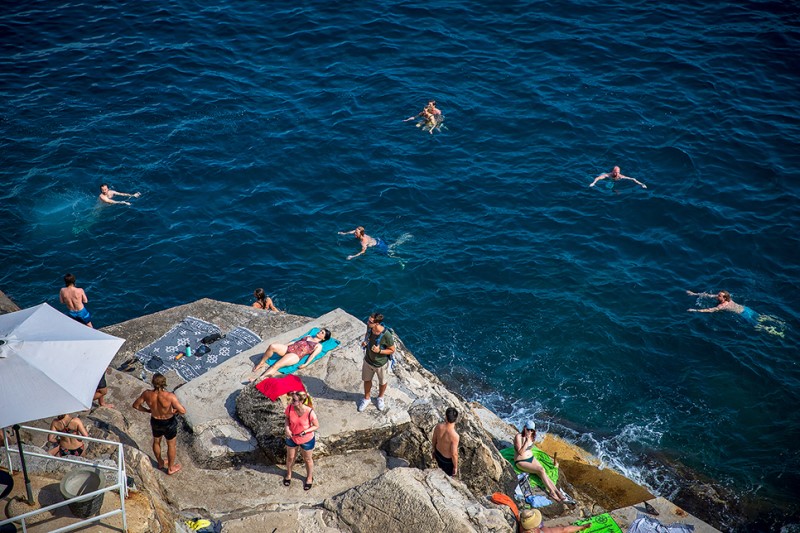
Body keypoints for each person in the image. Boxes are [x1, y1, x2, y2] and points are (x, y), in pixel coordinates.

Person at [132, 373, 187, 475]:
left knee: (156, 442)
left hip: (155, 420)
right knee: (171, 445)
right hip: (168, 422)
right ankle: (170, 468)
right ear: (164, 383)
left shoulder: (147, 394)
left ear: (153, 383)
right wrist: (173, 412)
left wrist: (148, 410)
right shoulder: (170, 396)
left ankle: (160, 462)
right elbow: (183, 411)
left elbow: (136, 405)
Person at [251, 328, 332, 380]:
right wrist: (284, 346)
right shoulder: (308, 336)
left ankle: (259, 380)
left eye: (322, 333)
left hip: (295, 355)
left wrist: (305, 364)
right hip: (289, 348)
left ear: (324, 338)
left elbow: (313, 355)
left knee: (276, 365)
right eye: (321, 331)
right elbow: (295, 342)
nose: (319, 332)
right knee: (272, 346)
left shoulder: (318, 345)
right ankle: (261, 363)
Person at [514, 421, 564, 502]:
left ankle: (556, 491)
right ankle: (551, 492)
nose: (530, 432)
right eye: (529, 429)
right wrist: (526, 440)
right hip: (521, 461)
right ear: (524, 428)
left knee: (543, 471)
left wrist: (529, 439)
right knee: (540, 470)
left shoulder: (532, 436)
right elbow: (520, 452)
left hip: (531, 458)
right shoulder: (518, 437)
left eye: (532, 430)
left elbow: (531, 448)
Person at [358, 313, 396, 412]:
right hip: (368, 360)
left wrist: (379, 351)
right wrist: (366, 341)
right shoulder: (369, 327)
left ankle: (380, 398)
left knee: (382, 382)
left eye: (370, 322)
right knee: (366, 380)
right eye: (368, 320)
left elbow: (392, 350)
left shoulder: (386, 335)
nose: (368, 322)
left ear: (377, 323)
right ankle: (366, 398)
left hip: (381, 364)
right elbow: (367, 334)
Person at [283, 390, 319, 491]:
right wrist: (287, 428)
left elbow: (316, 426)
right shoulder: (290, 408)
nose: (291, 401)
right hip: (292, 437)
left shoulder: (309, 412)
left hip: (306, 439)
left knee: (307, 459)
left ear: (301, 401)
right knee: (290, 458)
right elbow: (286, 418)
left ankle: (309, 477)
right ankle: (289, 474)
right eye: (291, 399)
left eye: (294, 400)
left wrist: (306, 431)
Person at [431, 407, 460, 477]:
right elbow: (454, 454)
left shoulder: (438, 427)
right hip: (446, 461)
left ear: (446, 417)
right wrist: (455, 467)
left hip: (437, 453)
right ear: (455, 419)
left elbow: (434, 440)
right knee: (447, 477)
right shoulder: (455, 436)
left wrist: (433, 451)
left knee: (439, 470)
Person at [519, 508, 590, 533]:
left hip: (537, 529)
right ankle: (582, 527)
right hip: (542, 530)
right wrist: (581, 527)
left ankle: (581, 527)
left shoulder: (521, 526)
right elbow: (564, 529)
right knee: (563, 529)